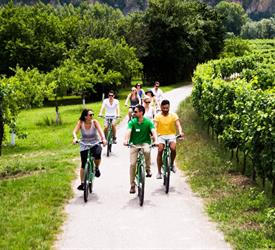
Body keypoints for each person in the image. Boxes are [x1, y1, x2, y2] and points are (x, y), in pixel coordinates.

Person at [123, 104, 158, 194]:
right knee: (132, 164)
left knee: (147, 151)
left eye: (136, 112)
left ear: (141, 112)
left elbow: (154, 131)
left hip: (145, 143)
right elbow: (128, 131)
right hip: (134, 144)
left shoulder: (148, 122)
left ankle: (148, 168)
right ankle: (132, 185)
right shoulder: (132, 122)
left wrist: (156, 141)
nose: (133, 113)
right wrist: (126, 140)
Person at [73, 109, 107, 190]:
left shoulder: (94, 122)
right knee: (83, 164)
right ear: (85, 116)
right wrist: (75, 138)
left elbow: (100, 131)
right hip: (84, 144)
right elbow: (75, 131)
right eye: (90, 115)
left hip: (95, 143)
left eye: (92, 114)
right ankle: (82, 183)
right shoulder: (81, 122)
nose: (92, 116)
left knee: (97, 154)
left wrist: (103, 139)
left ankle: (96, 168)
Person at [154, 99, 184, 179]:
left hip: (171, 135)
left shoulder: (173, 115)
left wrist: (180, 132)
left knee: (173, 149)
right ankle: (159, 172)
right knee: (160, 150)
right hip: (161, 135)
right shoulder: (158, 116)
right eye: (164, 108)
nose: (165, 110)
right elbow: (155, 127)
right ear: (161, 107)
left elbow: (178, 125)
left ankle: (171, 164)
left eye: (167, 108)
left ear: (169, 107)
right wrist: (154, 136)